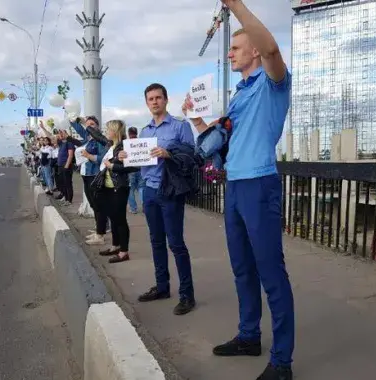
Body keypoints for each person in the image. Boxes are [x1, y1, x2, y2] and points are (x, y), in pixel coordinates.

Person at [182, 2, 294, 379]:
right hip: (235, 184)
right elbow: (222, 142)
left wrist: (237, 6)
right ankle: (249, 336)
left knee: (270, 273)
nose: (228, 52)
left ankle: (282, 362)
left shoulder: (274, 82)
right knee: (242, 269)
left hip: (259, 184)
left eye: (235, 47)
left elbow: (273, 50)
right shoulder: (240, 93)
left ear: (254, 51)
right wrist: (197, 119)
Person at [118, 83, 197, 316]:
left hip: (170, 191)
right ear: (146, 102)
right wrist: (125, 156)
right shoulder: (144, 132)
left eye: (158, 98)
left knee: (176, 243)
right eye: (150, 98)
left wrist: (168, 154)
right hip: (149, 190)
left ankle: (187, 295)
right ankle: (162, 286)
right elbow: (138, 161)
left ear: (166, 100)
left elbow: (191, 156)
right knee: (156, 242)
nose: (154, 101)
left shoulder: (180, 127)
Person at [95, 120, 139, 264]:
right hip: (107, 187)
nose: (106, 132)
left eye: (108, 129)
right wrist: (80, 122)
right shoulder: (110, 145)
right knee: (113, 218)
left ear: (115, 131)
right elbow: (97, 136)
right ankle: (115, 246)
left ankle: (123, 251)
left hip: (119, 187)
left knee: (120, 220)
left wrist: (113, 166)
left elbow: (133, 167)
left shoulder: (124, 146)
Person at [69, 116, 110, 245]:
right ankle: (99, 230)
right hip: (85, 175)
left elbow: (102, 158)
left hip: (95, 175)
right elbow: (77, 127)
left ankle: (101, 234)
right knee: (93, 205)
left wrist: (89, 156)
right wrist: (72, 117)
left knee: (98, 206)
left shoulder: (100, 140)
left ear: (98, 126)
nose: (90, 127)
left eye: (92, 124)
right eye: (88, 125)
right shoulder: (87, 138)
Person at [126, 126, 145, 213]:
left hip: (130, 170)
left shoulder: (127, 143)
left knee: (131, 190)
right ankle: (145, 206)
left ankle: (133, 208)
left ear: (129, 134)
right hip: (141, 169)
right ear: (136, 133)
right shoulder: (141, 143)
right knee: (141, 188)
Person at [55, 129, 75, 204]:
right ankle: (65, 197)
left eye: (62, 133)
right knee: (62, 183)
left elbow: (70, 155)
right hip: (60, 165)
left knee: (67, 183)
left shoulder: (69, 143)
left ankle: (69, 200)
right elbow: (53, 137)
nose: (61, 135)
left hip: (66, 165)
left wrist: (66, 166)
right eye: (60, 134)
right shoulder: (61, 143)